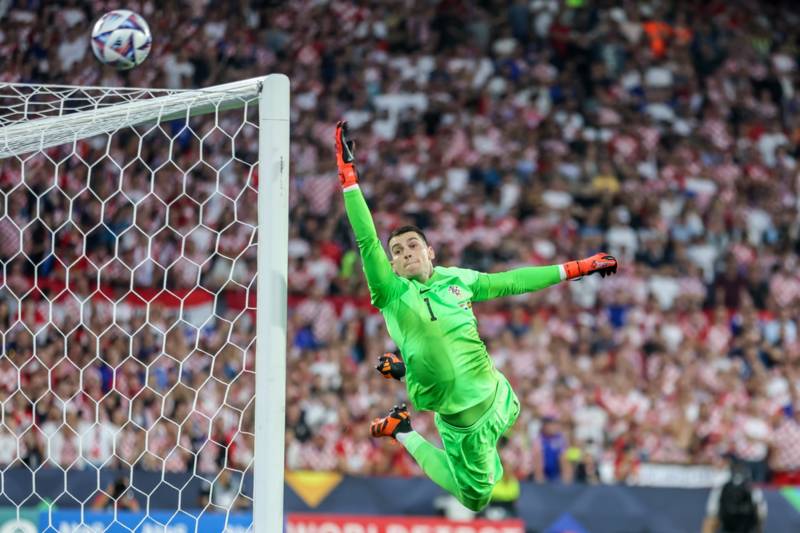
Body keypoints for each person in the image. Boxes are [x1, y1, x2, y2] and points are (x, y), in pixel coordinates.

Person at [334, 121, 618, 511]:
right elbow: (367, 240)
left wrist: (577, 267)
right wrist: (349, 179)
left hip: (500, 396)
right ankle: (403, 427)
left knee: (483, 467)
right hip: (466, 424)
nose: (404, 253)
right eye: (396, 251)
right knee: (477, 498)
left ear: (430, 252)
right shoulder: (391, 292)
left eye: (412, 245)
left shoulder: (459, 279)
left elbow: (511, 281)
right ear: (392, 265)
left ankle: (405, 388)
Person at [702, 461, 766, 533]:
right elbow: (761, 513)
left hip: (739, 525)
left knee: (709, 520)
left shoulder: (721, 487)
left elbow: (712, 511)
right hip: (732, 524)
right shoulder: (752, 488)